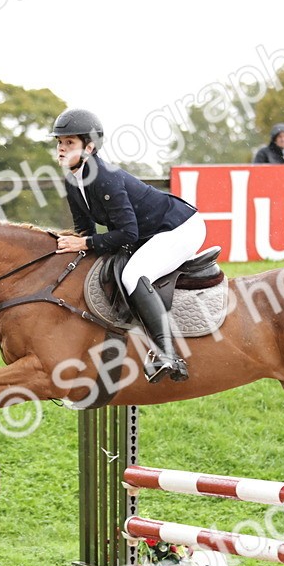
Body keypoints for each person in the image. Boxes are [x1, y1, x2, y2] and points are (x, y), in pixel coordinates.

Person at [52, 108, 206, 383]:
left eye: (69, 143)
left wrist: (85, 242)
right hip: (151, 232)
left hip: (179, 228)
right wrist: (80, 243)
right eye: (59, 143)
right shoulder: (72, 181)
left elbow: (128, 233)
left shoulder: (104, 177)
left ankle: (168, 355)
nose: (61, 148)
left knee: (133, 275)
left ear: (89, 147)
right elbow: (84, 228)